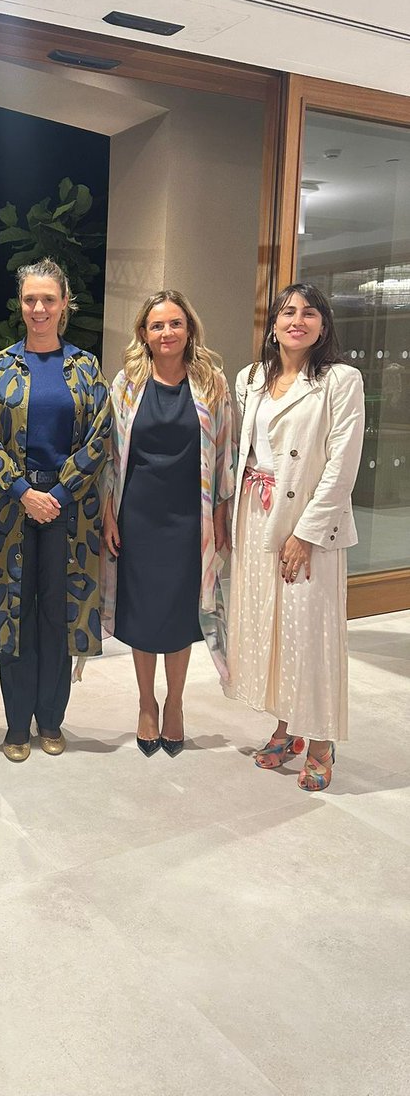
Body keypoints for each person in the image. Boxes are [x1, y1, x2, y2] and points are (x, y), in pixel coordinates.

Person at [225, 283, 364, 791]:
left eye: (309, 313)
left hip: (307, 517)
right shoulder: (250, 378)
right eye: (287, 312)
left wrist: (305, 533)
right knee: (271, 628)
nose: (297, 321)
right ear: (274, 324)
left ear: (323, 325)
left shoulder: (340, 380)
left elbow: (342, 465)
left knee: (310, 630)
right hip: (256, 511)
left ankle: (321, 739)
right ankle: (287, 726)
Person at [0, 257, 112, 762]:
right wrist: (22, 491)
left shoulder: (86, 368)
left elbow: (101, 436)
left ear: (64, 304)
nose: (39, 308)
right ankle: (16, 724)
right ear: (21, 303)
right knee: (14, 614)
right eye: (31, 299)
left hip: (69, 515)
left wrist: (60, 492)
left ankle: (51, 719)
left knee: (58, 615)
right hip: (10, 512)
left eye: (48, 299)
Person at [101, 291, 234, 757]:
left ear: (189, 328)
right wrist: (108, 512)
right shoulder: (127, 384)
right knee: (142, 612)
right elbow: (111, 456)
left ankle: (174, 702)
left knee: (179, 614)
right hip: (138, 515)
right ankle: (146, 703)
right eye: (157, 325)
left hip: (189, 517)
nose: (166, 333)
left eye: (175, 323)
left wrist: (221, 514)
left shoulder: (212, 383)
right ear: (144, 332)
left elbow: (226, 451)